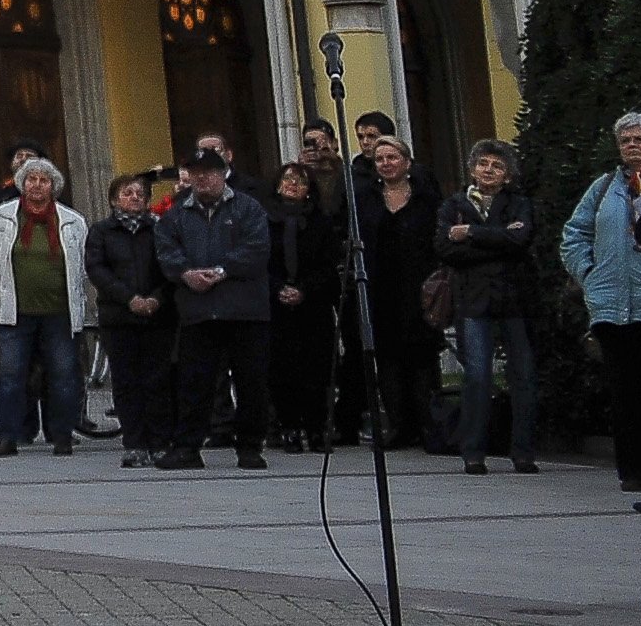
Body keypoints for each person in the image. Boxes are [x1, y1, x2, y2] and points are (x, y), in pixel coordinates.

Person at [560, 112, 641, 508]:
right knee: (626, 391)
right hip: (613, 305)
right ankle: (635, 471)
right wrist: (589, 273)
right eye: (626, 140)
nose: (633, 146)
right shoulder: (606, 186)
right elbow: (574, 233)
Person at [159, 147, 276, 470]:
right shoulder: (176, 215)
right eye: (196, 173)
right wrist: (184, 273)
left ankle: (250, 447)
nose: (202, 178)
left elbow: (257, 248)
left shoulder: (248, 208)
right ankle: (187, 447)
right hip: (198, 310)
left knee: (251, 381)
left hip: (245, 311)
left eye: (209, 172)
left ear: (223, 173)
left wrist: (222, 270)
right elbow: (166, 250)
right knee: (194, 383)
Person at [435, 140, 542, 476]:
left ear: (507, 174)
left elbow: (521, 241)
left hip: (513, 299)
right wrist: (497, 239)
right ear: (472, 169)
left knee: (523, 376)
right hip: (473, 299)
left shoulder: (519, 204)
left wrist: (471, 234)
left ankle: (523, 452)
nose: (489, 171)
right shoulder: (454, 204)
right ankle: (473, 452)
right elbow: (445, 249)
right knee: (477, 376)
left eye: (497, 165)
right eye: (483, 164)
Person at [0, 159, 90, 454]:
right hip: (16, 314)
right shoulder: (2, 217)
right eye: (31, 179)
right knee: (11, 375)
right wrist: (2, 285)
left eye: (43, 180)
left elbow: (83, 264)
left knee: (64, 375)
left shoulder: (73, 221)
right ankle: (9, 436)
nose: (37, 185)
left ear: (53, 186)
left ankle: (62, 435)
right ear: (22, 184)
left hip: (60, 313)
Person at [355, 133, 445, 452]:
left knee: (421, 359)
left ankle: (429, 425)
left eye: (392, 157)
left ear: (407, 162)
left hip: (420, 287)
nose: (386, 164)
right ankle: (398, 426)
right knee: (389, 360)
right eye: (380, 159)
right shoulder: (364, 198)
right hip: (381, 287)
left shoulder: (427, 197)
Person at [86, 172, 178, 469]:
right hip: (119, 317)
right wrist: (130, 299)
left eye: (140, 193)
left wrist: (156, 299)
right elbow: (98, 270)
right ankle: (134, 442)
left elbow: (170, 266)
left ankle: (160, 442)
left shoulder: (160, 229)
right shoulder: (101, 232)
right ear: (115, 199)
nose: (135, 197)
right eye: (128, 193)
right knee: (126, 382)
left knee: (158, 381)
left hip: (157, 316)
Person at [264, 159, 344, 452]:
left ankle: (317, 428)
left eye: (299, 181)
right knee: (282, 370)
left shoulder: (321, 222)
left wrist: (304, 290)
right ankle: (288, 427)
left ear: (309, 189)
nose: (293, 185)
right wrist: (279, 289)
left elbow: (328, 265)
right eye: (287, 180)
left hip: (313, 306)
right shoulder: (265, 220)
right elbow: (260, 263)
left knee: (316, 370)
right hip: (276, 306)